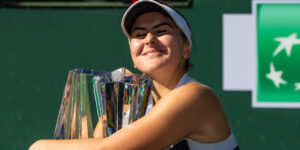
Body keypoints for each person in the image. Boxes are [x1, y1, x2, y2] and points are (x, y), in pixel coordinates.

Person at [29, 0, 239, 149]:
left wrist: (39, 147)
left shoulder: (196, 96)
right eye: (139, 34)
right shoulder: (129, 107)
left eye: (161, 31)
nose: (149, 39)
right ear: (133, 54)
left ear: (187, 48)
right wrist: (110, 114)